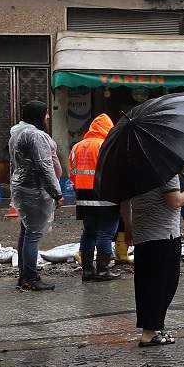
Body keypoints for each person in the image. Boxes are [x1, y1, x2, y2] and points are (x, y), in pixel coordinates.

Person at [125, 164, 184, 346]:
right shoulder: (165, 169)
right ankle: (149, 332)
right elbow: (174, 201)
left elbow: (125, 202)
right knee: (163, 285)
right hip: (164, 235)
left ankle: (154, 327)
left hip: (143, 235)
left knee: (146, 284)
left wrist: (128, 228)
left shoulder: (132, 170)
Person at [9, 101, 63, 292]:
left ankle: (24, 276)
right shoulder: (35, 135)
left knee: (26, 231)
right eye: (46, 114)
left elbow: (14, 165)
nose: (48, 117)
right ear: (39, 115)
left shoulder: (16, 133)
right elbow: (45, 165)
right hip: (34, 190)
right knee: (32, 234)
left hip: (22, 188)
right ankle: (31, 278)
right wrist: (57, 193)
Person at [69, 113, 120, 282]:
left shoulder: (77, 146)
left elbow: (72, 172)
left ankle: (87, 271)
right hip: (105, 193)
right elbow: (113, 171)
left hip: (83, 195)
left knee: (89, 231)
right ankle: (103, 270)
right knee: (105, 232)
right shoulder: (105, 145)